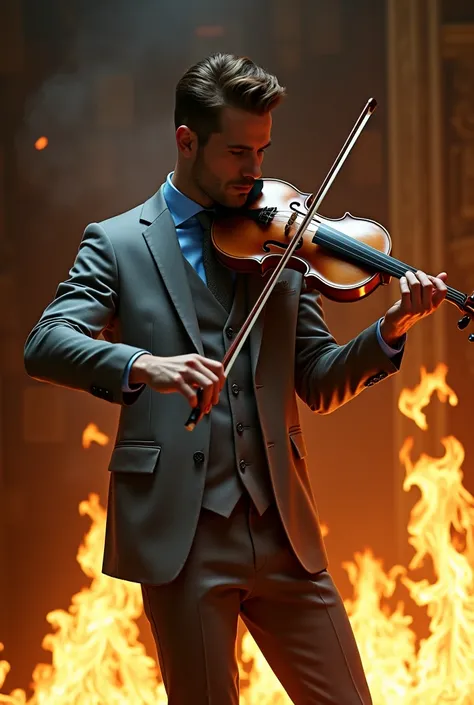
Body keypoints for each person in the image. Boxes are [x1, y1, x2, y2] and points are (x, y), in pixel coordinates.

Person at [24, 53, 447, 704]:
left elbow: (319, 379)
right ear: (186, 141)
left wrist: (389, 329)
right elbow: (46, 343)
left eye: (263, 151)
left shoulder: (284, 240)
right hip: (183, 539)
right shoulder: (117, 244)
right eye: (237, 154)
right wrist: (146, 363)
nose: (256, 173)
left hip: (284, 533)